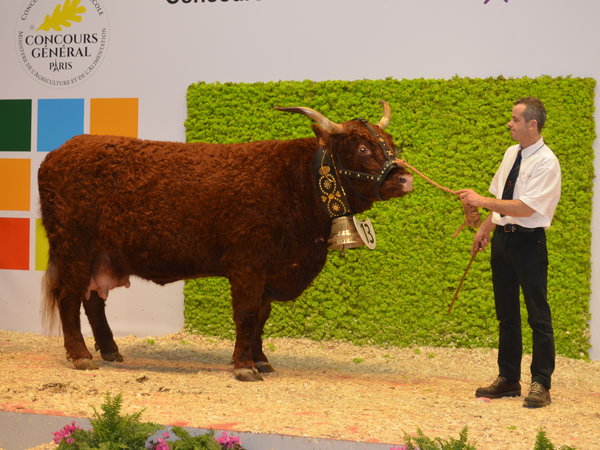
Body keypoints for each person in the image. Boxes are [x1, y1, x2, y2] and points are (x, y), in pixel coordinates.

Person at [457, 97, 561, 408]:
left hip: (530, 243)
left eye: (515, 120)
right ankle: (508, 379)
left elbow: (526, 207)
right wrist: (485, 229)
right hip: (503, 240)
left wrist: (481, 202)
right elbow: (503, 198)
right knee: (506, 314)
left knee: (538, 315)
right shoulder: (510, 154)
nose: (509, 124)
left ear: (533, 124)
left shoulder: (547, 163)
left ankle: (541, 383)